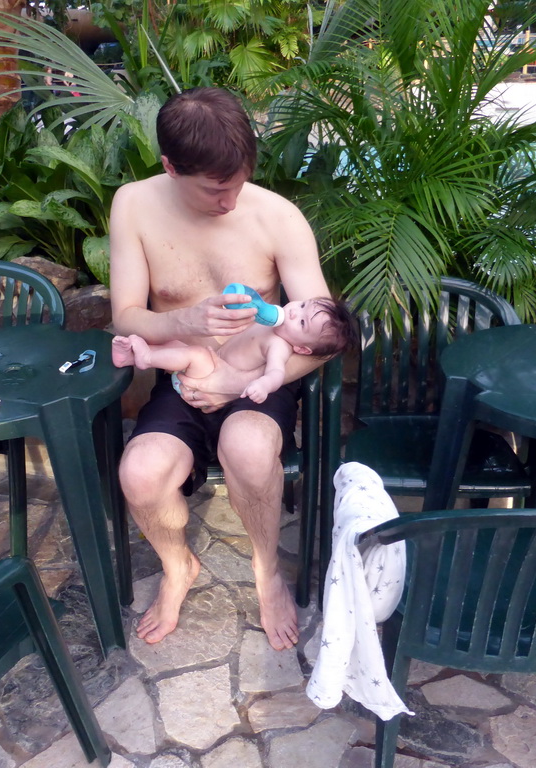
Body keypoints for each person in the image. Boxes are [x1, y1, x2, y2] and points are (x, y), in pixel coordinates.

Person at [108, 87, 332, 650]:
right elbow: (126, 317)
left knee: (250, 448)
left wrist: (241, 381)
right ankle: (177, 564)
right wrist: (186, 320)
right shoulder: (135, 205)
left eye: (237, 184)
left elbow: (326, 337)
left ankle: (266, 570)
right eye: (215, 190)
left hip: (261, 375)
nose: (230, 201)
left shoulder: (278, 217)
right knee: (139, 473)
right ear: (169, 167)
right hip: (183, 377)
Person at [112, 297, 355, 404]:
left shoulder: (278, 346)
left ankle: (146, 358)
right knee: (180, 347)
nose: (294, 312)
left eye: (302, 323)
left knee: (195, 354)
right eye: (302, 305)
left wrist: (262, 386)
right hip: (209, 366)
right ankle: (130, 357)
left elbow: (276, 373)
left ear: (302, 347)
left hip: (209, 380)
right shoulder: (272, 320)